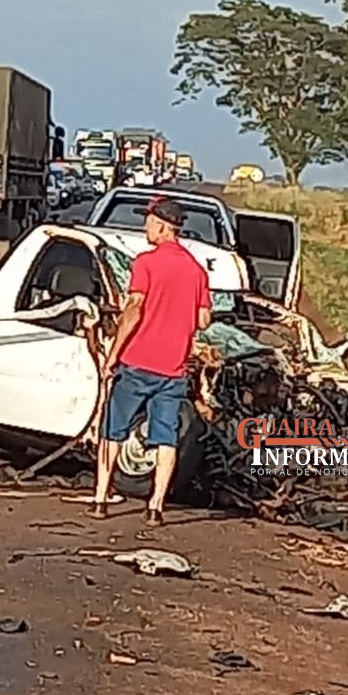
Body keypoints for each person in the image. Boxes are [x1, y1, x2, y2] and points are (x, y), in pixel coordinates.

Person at [90, 198, 212, 526]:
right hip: (173, 370)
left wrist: (113, 354)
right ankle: (155, 507)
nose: (145, 227)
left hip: (136, 363)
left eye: (148, 222)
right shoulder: (197, 271)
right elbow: (203, 321)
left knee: (112, 431)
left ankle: (101, 498)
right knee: (166, 437)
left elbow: (133, 310)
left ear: (161, 226)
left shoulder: (146, 263)